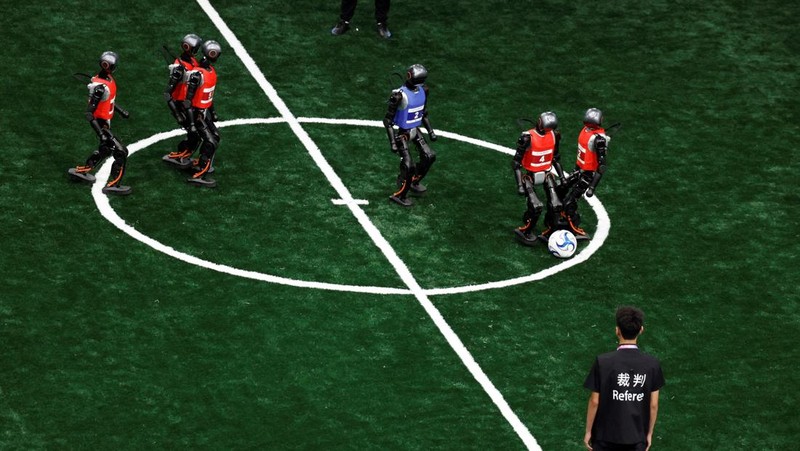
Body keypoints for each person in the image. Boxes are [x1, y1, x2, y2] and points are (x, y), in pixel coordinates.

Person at [583, 306, 665, 451]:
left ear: (617, 330)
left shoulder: (603, 362)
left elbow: (595, 401)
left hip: (605, 438)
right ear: (641, 330)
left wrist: (589, 431)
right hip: (636, 438)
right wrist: (649, 433)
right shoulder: (652, 364)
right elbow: (653, 404)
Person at [67, 51, 132, 195]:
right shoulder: (100, 87)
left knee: (105, 149)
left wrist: (121, 110)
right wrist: (101, 133)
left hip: (105, 122)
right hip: (101, 124)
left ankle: (83, 170)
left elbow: (108, 101)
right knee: (121, 152)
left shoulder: (106, 81)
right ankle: (114, 184)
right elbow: (89, 113)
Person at [383, 64, 437, 207]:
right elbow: (388, 121)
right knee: (408, 165)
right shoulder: (399, 96)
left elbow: (423, 113)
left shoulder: (423, 91)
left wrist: (430, 131)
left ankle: (414, 181)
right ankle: (400, 195)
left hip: (415, 129)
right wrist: (393, 142)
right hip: (403, 134)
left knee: (429, 156)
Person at [511, 111, 566, 245]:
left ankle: (551, 228)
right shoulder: (527, 138)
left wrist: (562, 177)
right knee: (536, 206)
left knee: (556, 204)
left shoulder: (554, 136)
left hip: (546, 173)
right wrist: (520, 185)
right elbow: (516, 163)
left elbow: (555, 158)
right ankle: (526, 230)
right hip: (529, 176)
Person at [560, 107, 610, 240]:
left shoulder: (598, 140)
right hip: (578, 169)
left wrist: (592, 187)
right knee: (560, 189)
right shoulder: (587, 131)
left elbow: (601, 166)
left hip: (587, 174)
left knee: (570, 202)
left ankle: (574, 228)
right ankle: (562, 218)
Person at [183, 40, 222, 188]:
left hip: (204, 112)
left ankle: (201, 163)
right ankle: (199, 173)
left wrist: (213, 112)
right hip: (197, 114)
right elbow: (188, 101)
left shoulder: (209, 71)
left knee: (215, 136)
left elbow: (208, 95)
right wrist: (192, 123)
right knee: (210, 142)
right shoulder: (198, 74)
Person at [162, 33, 204, 170]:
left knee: (196, 133)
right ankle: (183, 154)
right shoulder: (179, 68)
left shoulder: (192, 62)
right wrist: (177, 114)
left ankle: (185, 153)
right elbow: (167, 94)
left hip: (190, 103)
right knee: (195, 133)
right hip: (181, 105)